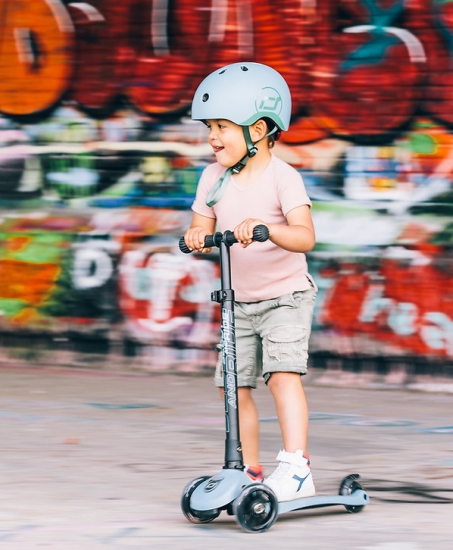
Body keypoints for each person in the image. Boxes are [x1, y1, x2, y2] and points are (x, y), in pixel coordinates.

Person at [183, 62, 317, 502]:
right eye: (209, 127)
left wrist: (268, 228)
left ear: (258, 129)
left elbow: (305, 237)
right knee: (233, 387)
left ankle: (296, 469)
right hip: (237, 302)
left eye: (222, 126)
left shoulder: (284, 178)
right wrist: (196, 236)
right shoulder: (212, 178)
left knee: (282, 375)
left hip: (285, 298)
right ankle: (249, 472)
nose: (212, 136)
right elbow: (199, 227)